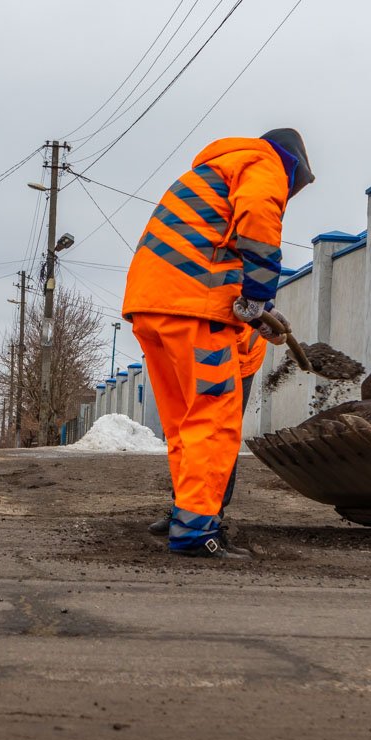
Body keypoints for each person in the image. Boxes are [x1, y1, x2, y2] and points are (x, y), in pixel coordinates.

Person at [122, 129, 314, 559]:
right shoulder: (262, 164)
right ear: (291, 168)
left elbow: (214, 251)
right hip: (193, 308)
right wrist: (259, 296)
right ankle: (195, 533)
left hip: (150, 305)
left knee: (184, 421)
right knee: (213, 419)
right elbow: (260, 222)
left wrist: (258, 312)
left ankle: (184, 512)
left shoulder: (213, 173)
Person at [146, 324, 267, 555]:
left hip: (233, 349)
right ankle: (187, 514)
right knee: (201, 432)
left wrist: (263, 313)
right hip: (211, 335)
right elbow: (253, 294)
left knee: (215, 434)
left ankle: (208, 516)